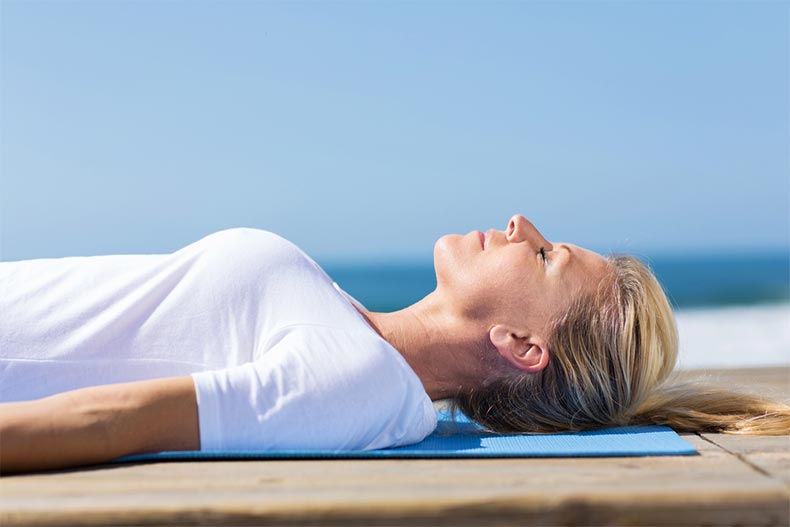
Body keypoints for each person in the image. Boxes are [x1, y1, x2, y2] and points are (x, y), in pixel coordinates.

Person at [1, 214, 788, 474]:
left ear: (520, 344)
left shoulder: (358, 384)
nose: (521, 224)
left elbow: (115, 418)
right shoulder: (354, 333)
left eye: (545, 256)